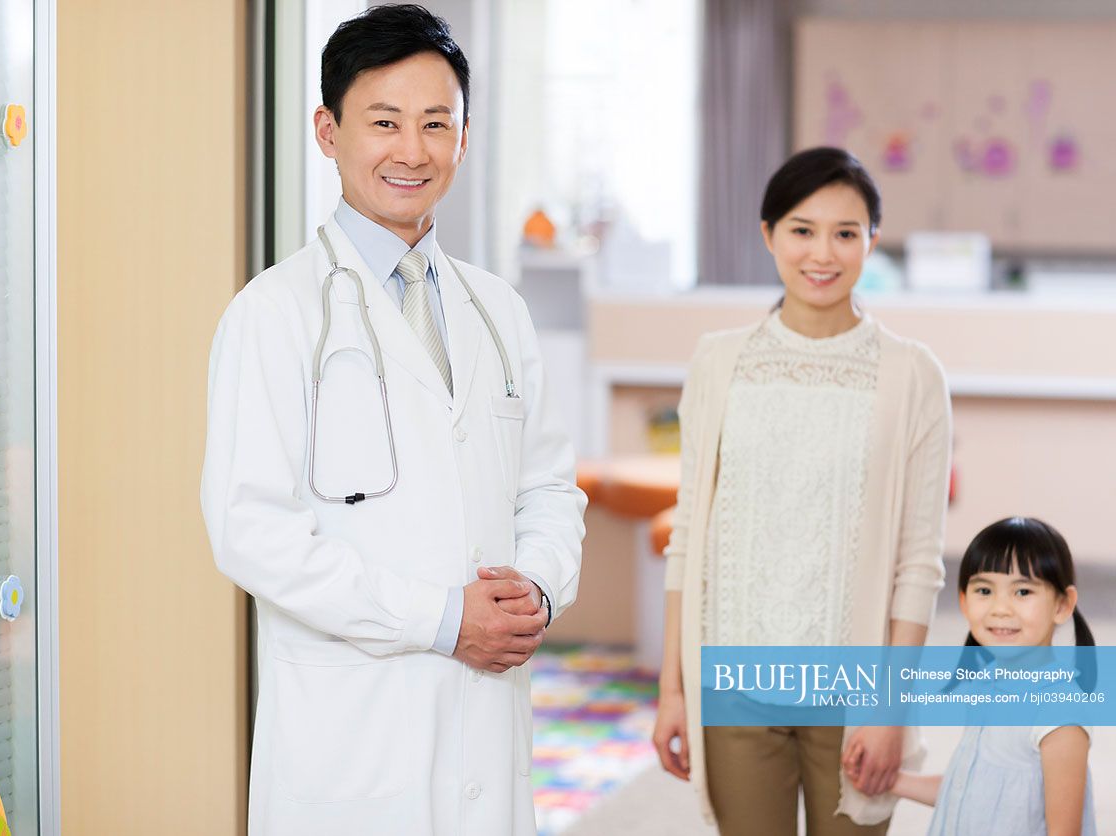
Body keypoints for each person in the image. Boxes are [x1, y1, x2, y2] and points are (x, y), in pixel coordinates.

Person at [199, 6, 586, 835]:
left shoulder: (498, 310)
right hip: (350, 743)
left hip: (485, 727)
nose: (411, 151)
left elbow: (550, 487)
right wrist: (442, 620)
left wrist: (538, 591)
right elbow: (249, 529)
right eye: (383, 122)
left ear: (463, 138)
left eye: (435, 124)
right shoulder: (272, 315)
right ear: (327, 131)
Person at [652, 147, 952, 834]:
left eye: (845, 233)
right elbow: (688, 540)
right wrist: (672, 690)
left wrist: (889, 710)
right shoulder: (718, 361)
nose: (823, 252)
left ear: (871, 241)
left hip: (853, 693)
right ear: (767, 234)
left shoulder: (911, 376)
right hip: (734, 681)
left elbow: (917, 563)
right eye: (801, 229)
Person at [882, 517, 1097, 835]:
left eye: (1022, 592)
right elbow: (972, 792)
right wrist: (893, 781)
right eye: (984, 590)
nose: (1000, 608)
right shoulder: (986, 684)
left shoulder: (1058, 711)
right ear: (964, 602)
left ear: (1063, 606)